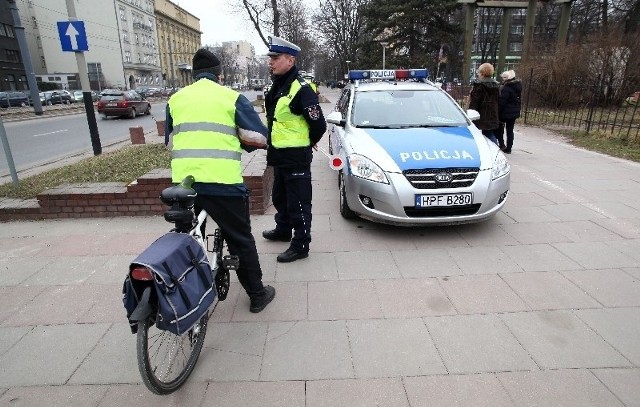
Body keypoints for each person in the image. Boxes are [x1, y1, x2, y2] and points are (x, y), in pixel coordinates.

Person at [164, 48, 275, 313]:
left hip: (184, 187)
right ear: (219, 74)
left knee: (189, 240)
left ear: (192, 75)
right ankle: (257, 295)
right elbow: (258, 138)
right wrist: (240, 142)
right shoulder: (231, 97)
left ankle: (190, 295)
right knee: (241, 240)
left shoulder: (176, 99)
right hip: (223, 184)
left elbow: (170, 143)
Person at [262, 36, 327, 263]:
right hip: (280, 156)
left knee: (299, 203)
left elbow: (319, 124)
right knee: (280, 197)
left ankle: (300, 245)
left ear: (290, 60)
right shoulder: (278, 86)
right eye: (270, 58)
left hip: (296, 158)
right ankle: (283, 229)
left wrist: (308, 142)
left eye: (276, 58)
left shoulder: (302, 89)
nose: (271, 62)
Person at [468, 62, 500, 145]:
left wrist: (470, 112)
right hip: (492, 114)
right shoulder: (496, 85)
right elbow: (498, 100)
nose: (478, 74)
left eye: (479, 72)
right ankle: (494, 148)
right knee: (488, 133)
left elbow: (475, 101)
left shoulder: (479, 85)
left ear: (482, 73)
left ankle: (493, 150)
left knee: (475, 134)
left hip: (480, 114)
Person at [497, 69, 522, 154]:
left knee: (500, 128)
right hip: (514, 111)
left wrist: (498, 111)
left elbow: (502, 101)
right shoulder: (518, 86)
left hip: (505, 112)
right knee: (510, 130)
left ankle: (502, 144)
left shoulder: (506, 87)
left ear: (508, 78)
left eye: (504, 77)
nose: (502, 79)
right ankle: (509, 148)